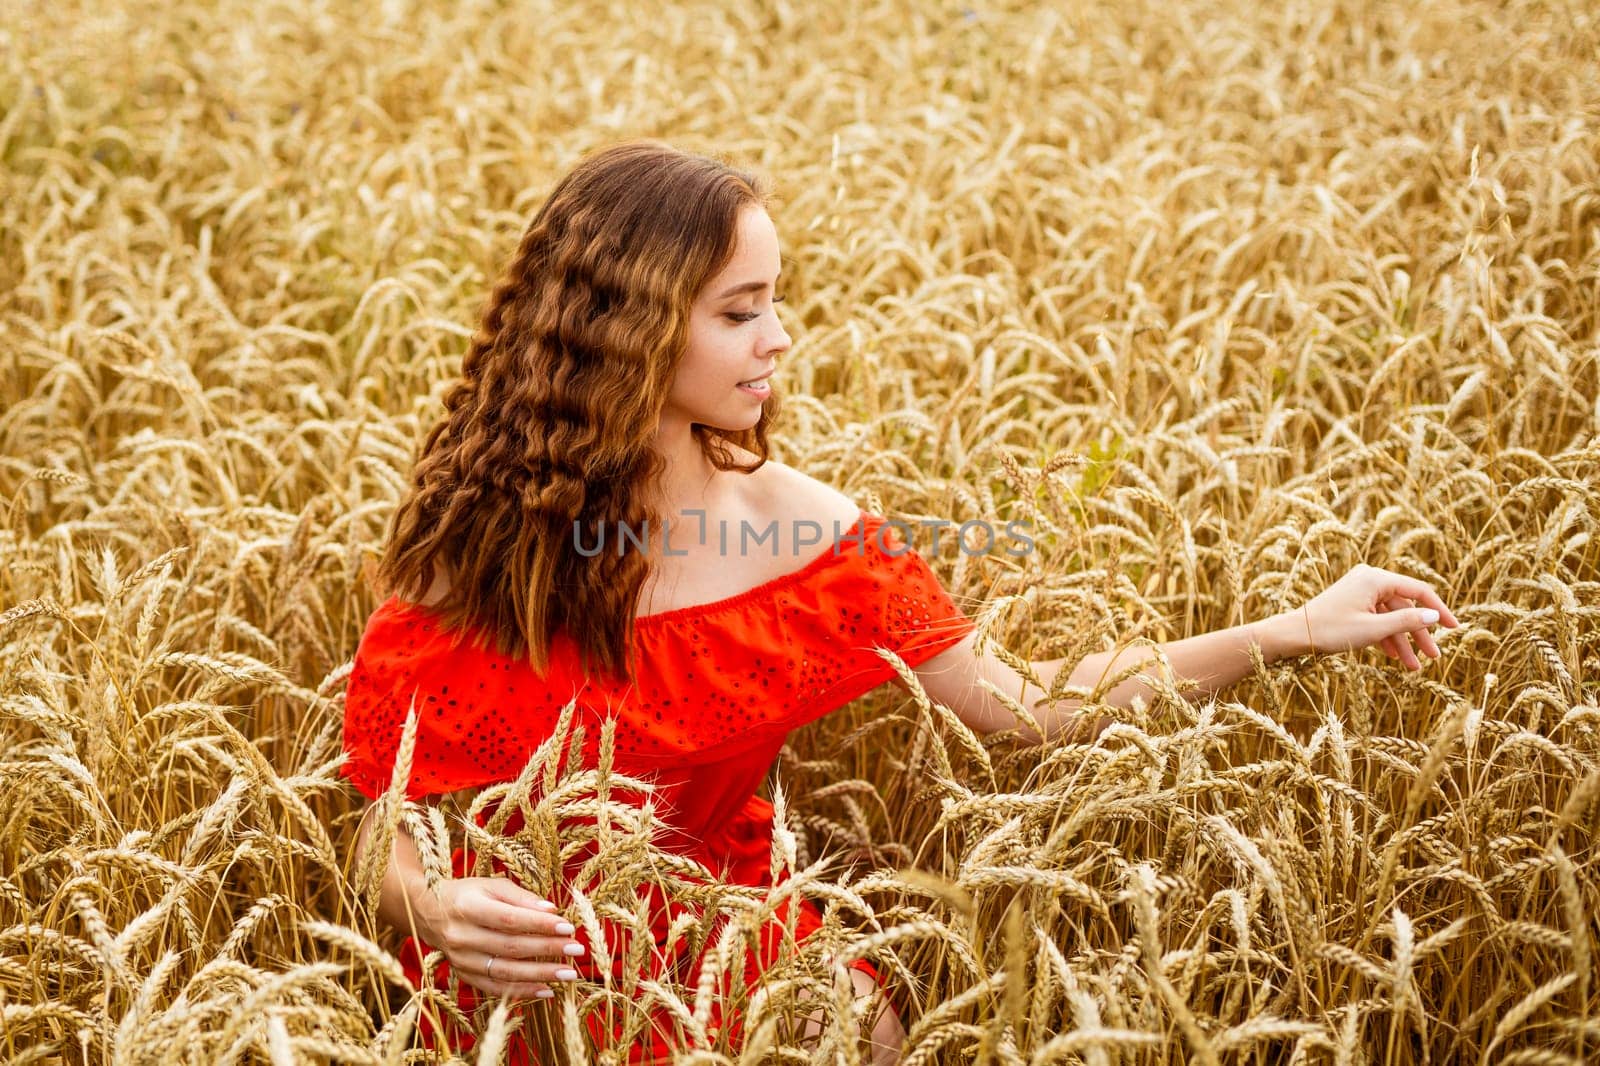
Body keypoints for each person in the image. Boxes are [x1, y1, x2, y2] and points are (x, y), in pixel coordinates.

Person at [340, 139, 1460, 1065]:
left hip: (744, 966)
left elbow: (1027, 705)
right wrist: (436, 908)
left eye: (773, 303)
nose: (778, 339)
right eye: (740, 312)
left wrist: (1294, 628)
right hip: (531, 985)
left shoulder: (806, 533)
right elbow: (381, 824)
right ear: (632, 329)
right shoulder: (478, 550)